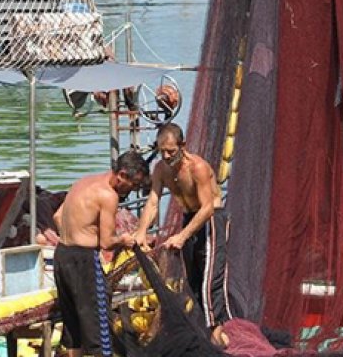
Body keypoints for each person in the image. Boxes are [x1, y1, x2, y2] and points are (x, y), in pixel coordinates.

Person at [35, 152, 150, 357]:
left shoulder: (83, 182)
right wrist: (123, 239)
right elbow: (106, 242)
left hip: (63, 256)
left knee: (72, 327)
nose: (132, 191)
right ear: (121, 175)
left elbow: (58, 216)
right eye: (133, 185)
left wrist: (77, 234)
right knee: (99, 327)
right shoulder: (109, 195)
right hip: (83, 261)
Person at [133, 123, 231, 346]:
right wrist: (141, 231)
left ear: (183, 146)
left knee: (210, 281)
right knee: (192, 280)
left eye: (171, 151)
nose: (166, 156)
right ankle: (200, 334)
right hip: (189, 220)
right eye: (162, 151)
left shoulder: (198, 168)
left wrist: (181, 236)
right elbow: (153, 201)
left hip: (211, 221)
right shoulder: (161, 169)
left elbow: (207, 208)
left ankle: (216, 337)